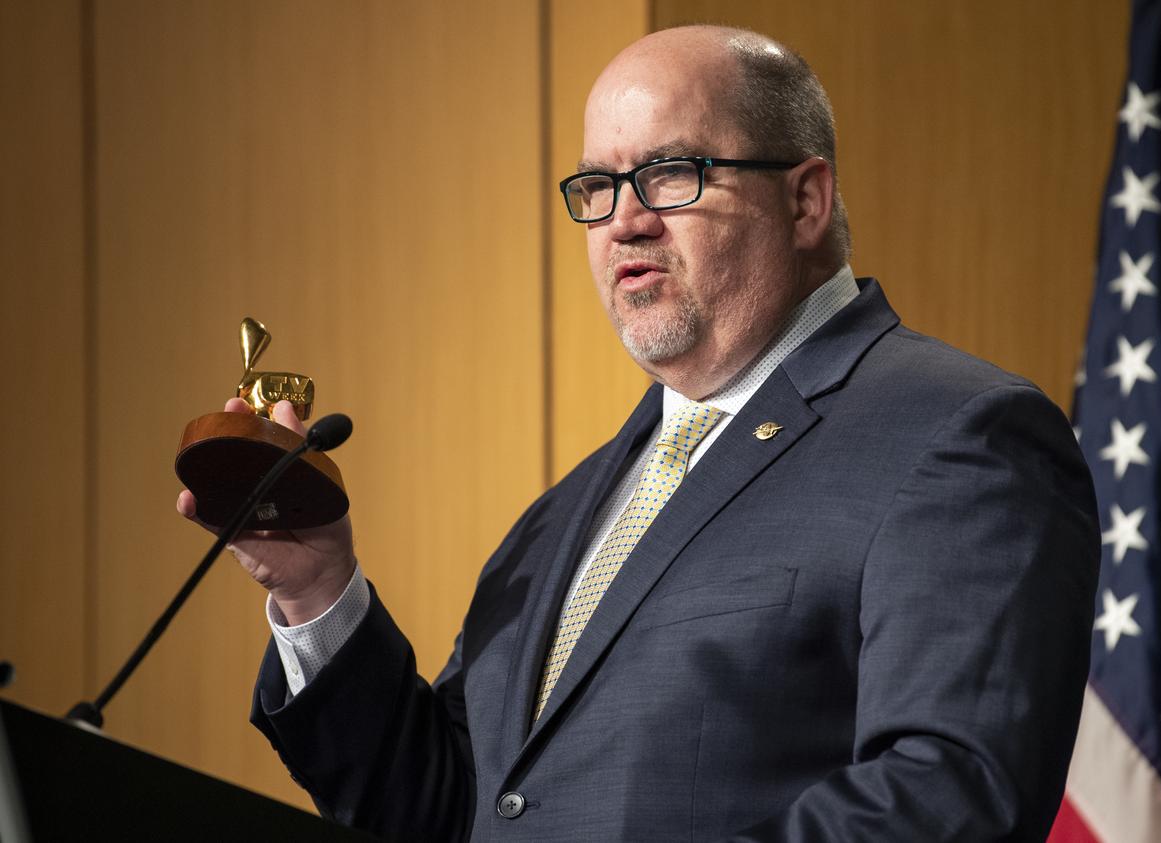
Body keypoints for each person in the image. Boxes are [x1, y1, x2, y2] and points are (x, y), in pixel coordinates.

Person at [179, 25, 1100, 842]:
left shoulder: (955, 436)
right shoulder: (566, 511)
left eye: (669, 173)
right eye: (598, 184)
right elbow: (451, 806)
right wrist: (318, 593)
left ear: (805, 200)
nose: (623, 219)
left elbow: (950, 795)